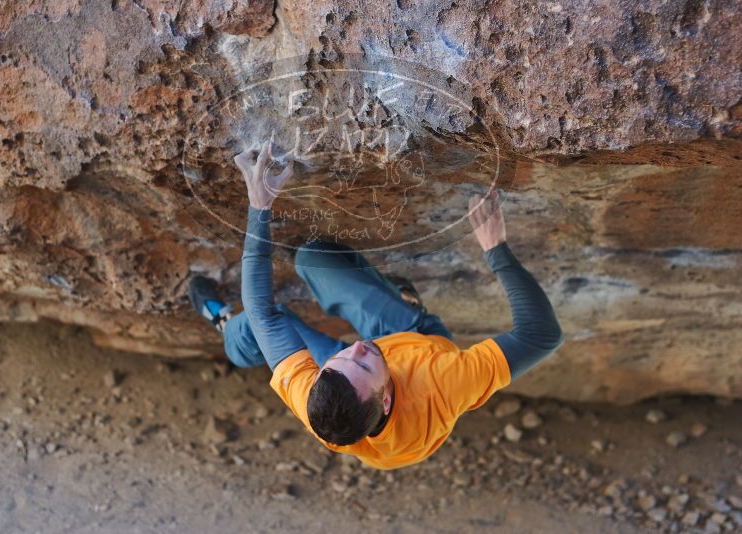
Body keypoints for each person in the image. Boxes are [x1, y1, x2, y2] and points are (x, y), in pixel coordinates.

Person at [188, 141, 564, 470]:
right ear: (385, 398)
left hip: (378, 373)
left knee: (299, 275)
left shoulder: (318, 404)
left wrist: (260, 205)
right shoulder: (442, 382)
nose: (356, 346)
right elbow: (541, 335)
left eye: (338, 360)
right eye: (363, 361)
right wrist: (496, 250)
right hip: (418, 341)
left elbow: (264, 312)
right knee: (313, 280)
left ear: (319, 376)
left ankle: (226, 326)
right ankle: (403, 302)